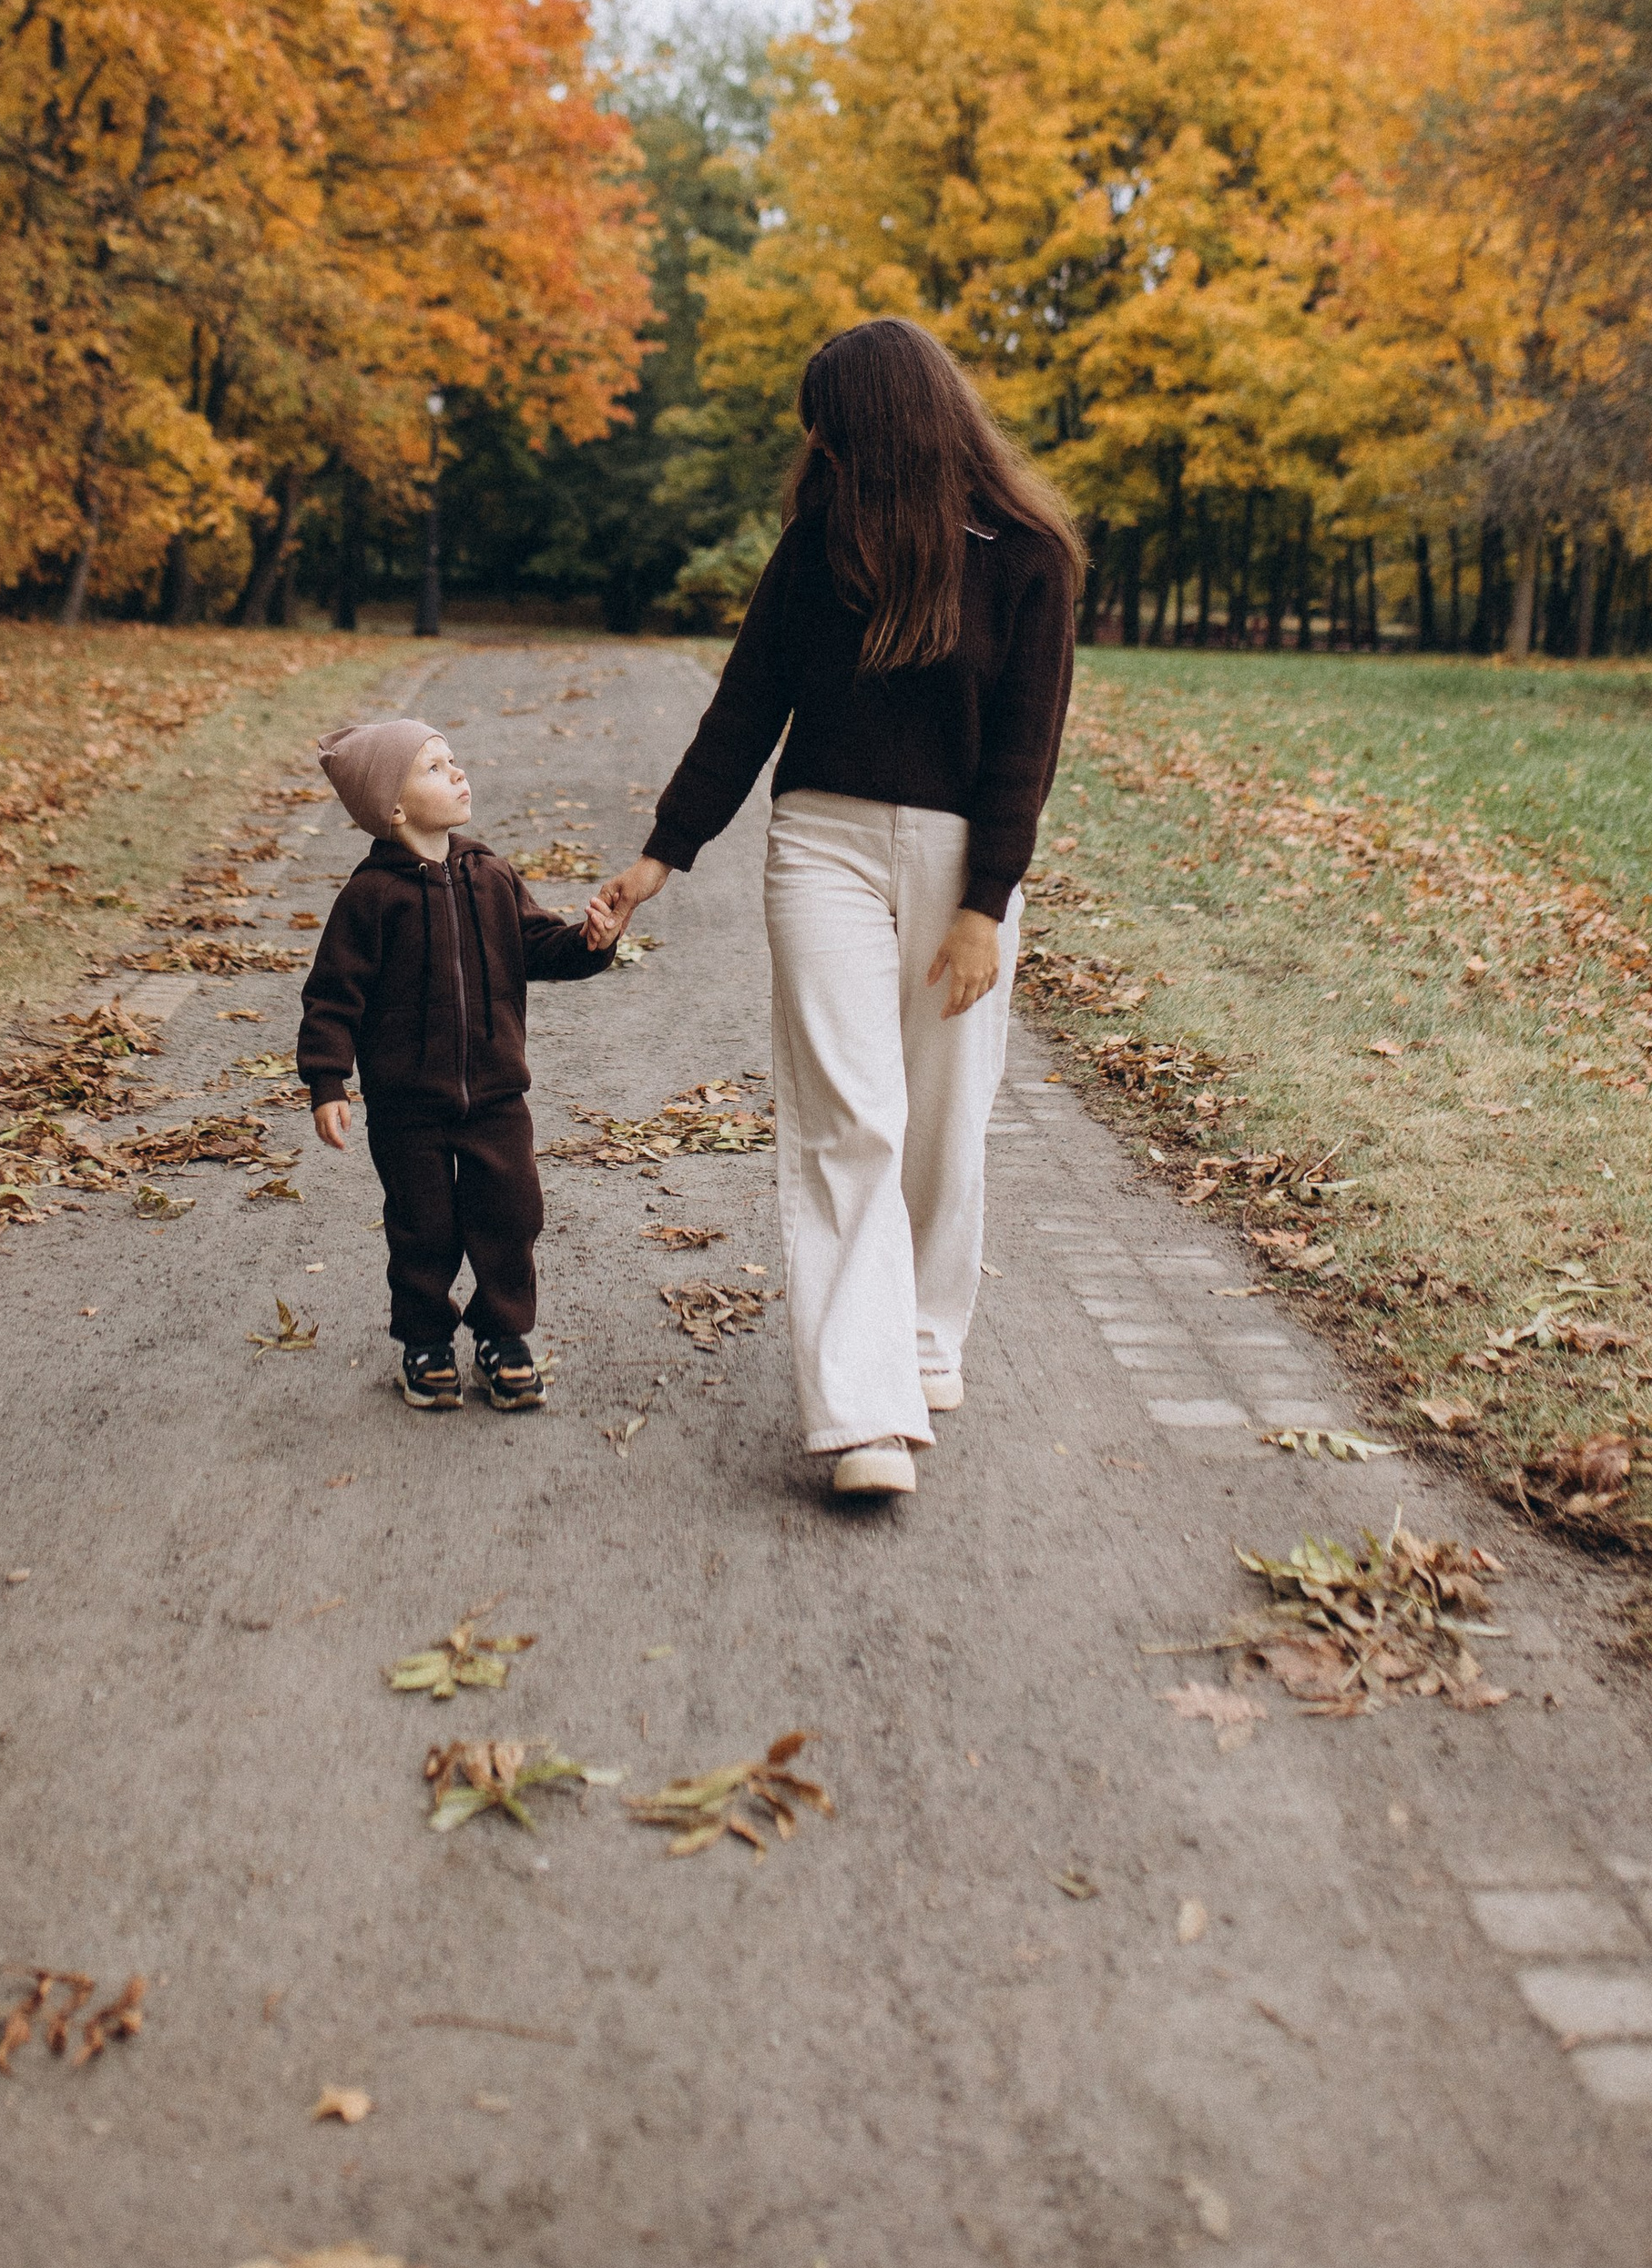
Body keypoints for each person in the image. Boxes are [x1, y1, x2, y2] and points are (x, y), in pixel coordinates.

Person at [595, 319, 1081, 1500]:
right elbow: (745, 709)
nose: (824, 454)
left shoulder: (1028, 555)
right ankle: (864, 1412)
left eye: (838, 431)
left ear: (891, 426)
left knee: (943, 1114)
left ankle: (922, 1340)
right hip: (824, 849)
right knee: (849, 1117)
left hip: (966, 863)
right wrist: (666, 851)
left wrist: (985, 903)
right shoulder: (817, 551)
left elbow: (1028, 750)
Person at [299, 717, 618, 1413]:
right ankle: (425, 1341)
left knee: (511, 1215)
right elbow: (333, 996)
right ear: (392, 807)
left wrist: (590, 942)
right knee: (424, 1225)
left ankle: (503, 1337)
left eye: (456, 762)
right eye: (435, 769)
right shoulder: (370, 897)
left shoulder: (491, 875)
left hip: (498, 1095)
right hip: (406, 1107)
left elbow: (538, 946)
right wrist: (329, 1081)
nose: (459, 775)